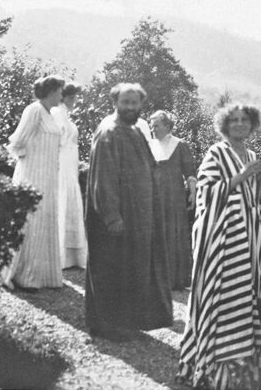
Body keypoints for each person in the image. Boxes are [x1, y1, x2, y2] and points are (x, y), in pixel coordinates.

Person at [178, 104, 261, 390]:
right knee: (223, 297)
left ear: (252, 125)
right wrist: (243, 175)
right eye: (233, 120)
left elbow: (252, 200)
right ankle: (215, 369)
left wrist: (258, 179)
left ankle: (243, 369)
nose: (239, 125)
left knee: (245, 298)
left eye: (244, 120)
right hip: (221, 244)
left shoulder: (250, 155)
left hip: (247, 241)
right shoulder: (216, 153)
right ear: (225, 125)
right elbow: (207, 193)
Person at [84, 83, 172, 341]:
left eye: (134, 103)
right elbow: (104, 178)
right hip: (116, 217)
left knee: (129, 270)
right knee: (110, 269)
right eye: (125, 102)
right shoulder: (109, 132)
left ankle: (125, 322)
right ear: (115, 102)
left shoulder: (134, 130)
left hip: (137, 216)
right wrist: (112, 216)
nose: (130, 107)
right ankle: (105, 325)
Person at [2, 75, 65, 291]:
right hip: (33, 175)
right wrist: (29, 165)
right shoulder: (34, 110)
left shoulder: (51, 114)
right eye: (58, 91)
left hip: (48, 176)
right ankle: (23, 275)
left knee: (44, 220)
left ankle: (42, 275)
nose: (61, 95)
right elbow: (17, 142)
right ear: (49, 91)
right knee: (31, 221)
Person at [149, 110, 196, 290]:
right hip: (153, 195)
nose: (153, 129)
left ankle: (175, 279)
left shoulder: (179, 145)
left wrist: (193, 193)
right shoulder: (150, 145)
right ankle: (155, 278)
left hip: (173, 197)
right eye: (152, 126)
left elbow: (190, 172)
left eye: (156, 126)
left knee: (172, 233)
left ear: (167, 126)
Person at [51, 81, 87, 269]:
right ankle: (59, 254)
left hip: (70, 166)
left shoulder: (66, 116)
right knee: (61, 202)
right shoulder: (57, 113)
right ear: (63, 97)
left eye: (75, 97)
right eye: (71, 97)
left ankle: (71, 256)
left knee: (70, 202)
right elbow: (56, 141)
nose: (74, 101)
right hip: (62, 166)